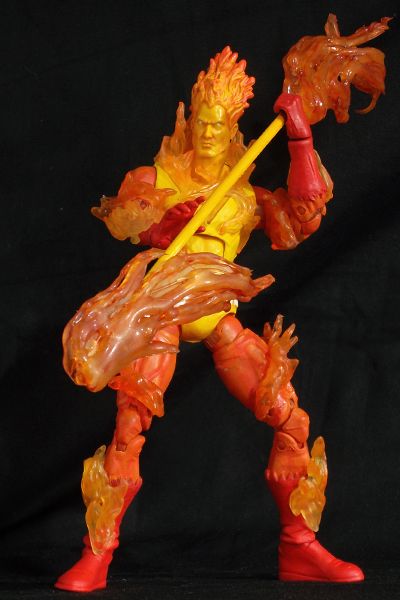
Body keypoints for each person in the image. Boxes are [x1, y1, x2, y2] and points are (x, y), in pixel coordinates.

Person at [55, 46, 364, 592]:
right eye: (204, 122)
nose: (210, 133)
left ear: (234, 126)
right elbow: (124, 216)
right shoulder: (158, 175)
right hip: (161, 313)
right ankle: (96, 554)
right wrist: (160, 226)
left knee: (291, 420)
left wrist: (300, 138)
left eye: (221, 125)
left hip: (218, 317)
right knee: (129, 426)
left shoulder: (244, 194)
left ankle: (299, 547)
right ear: (193, 119)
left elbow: (302, 218)